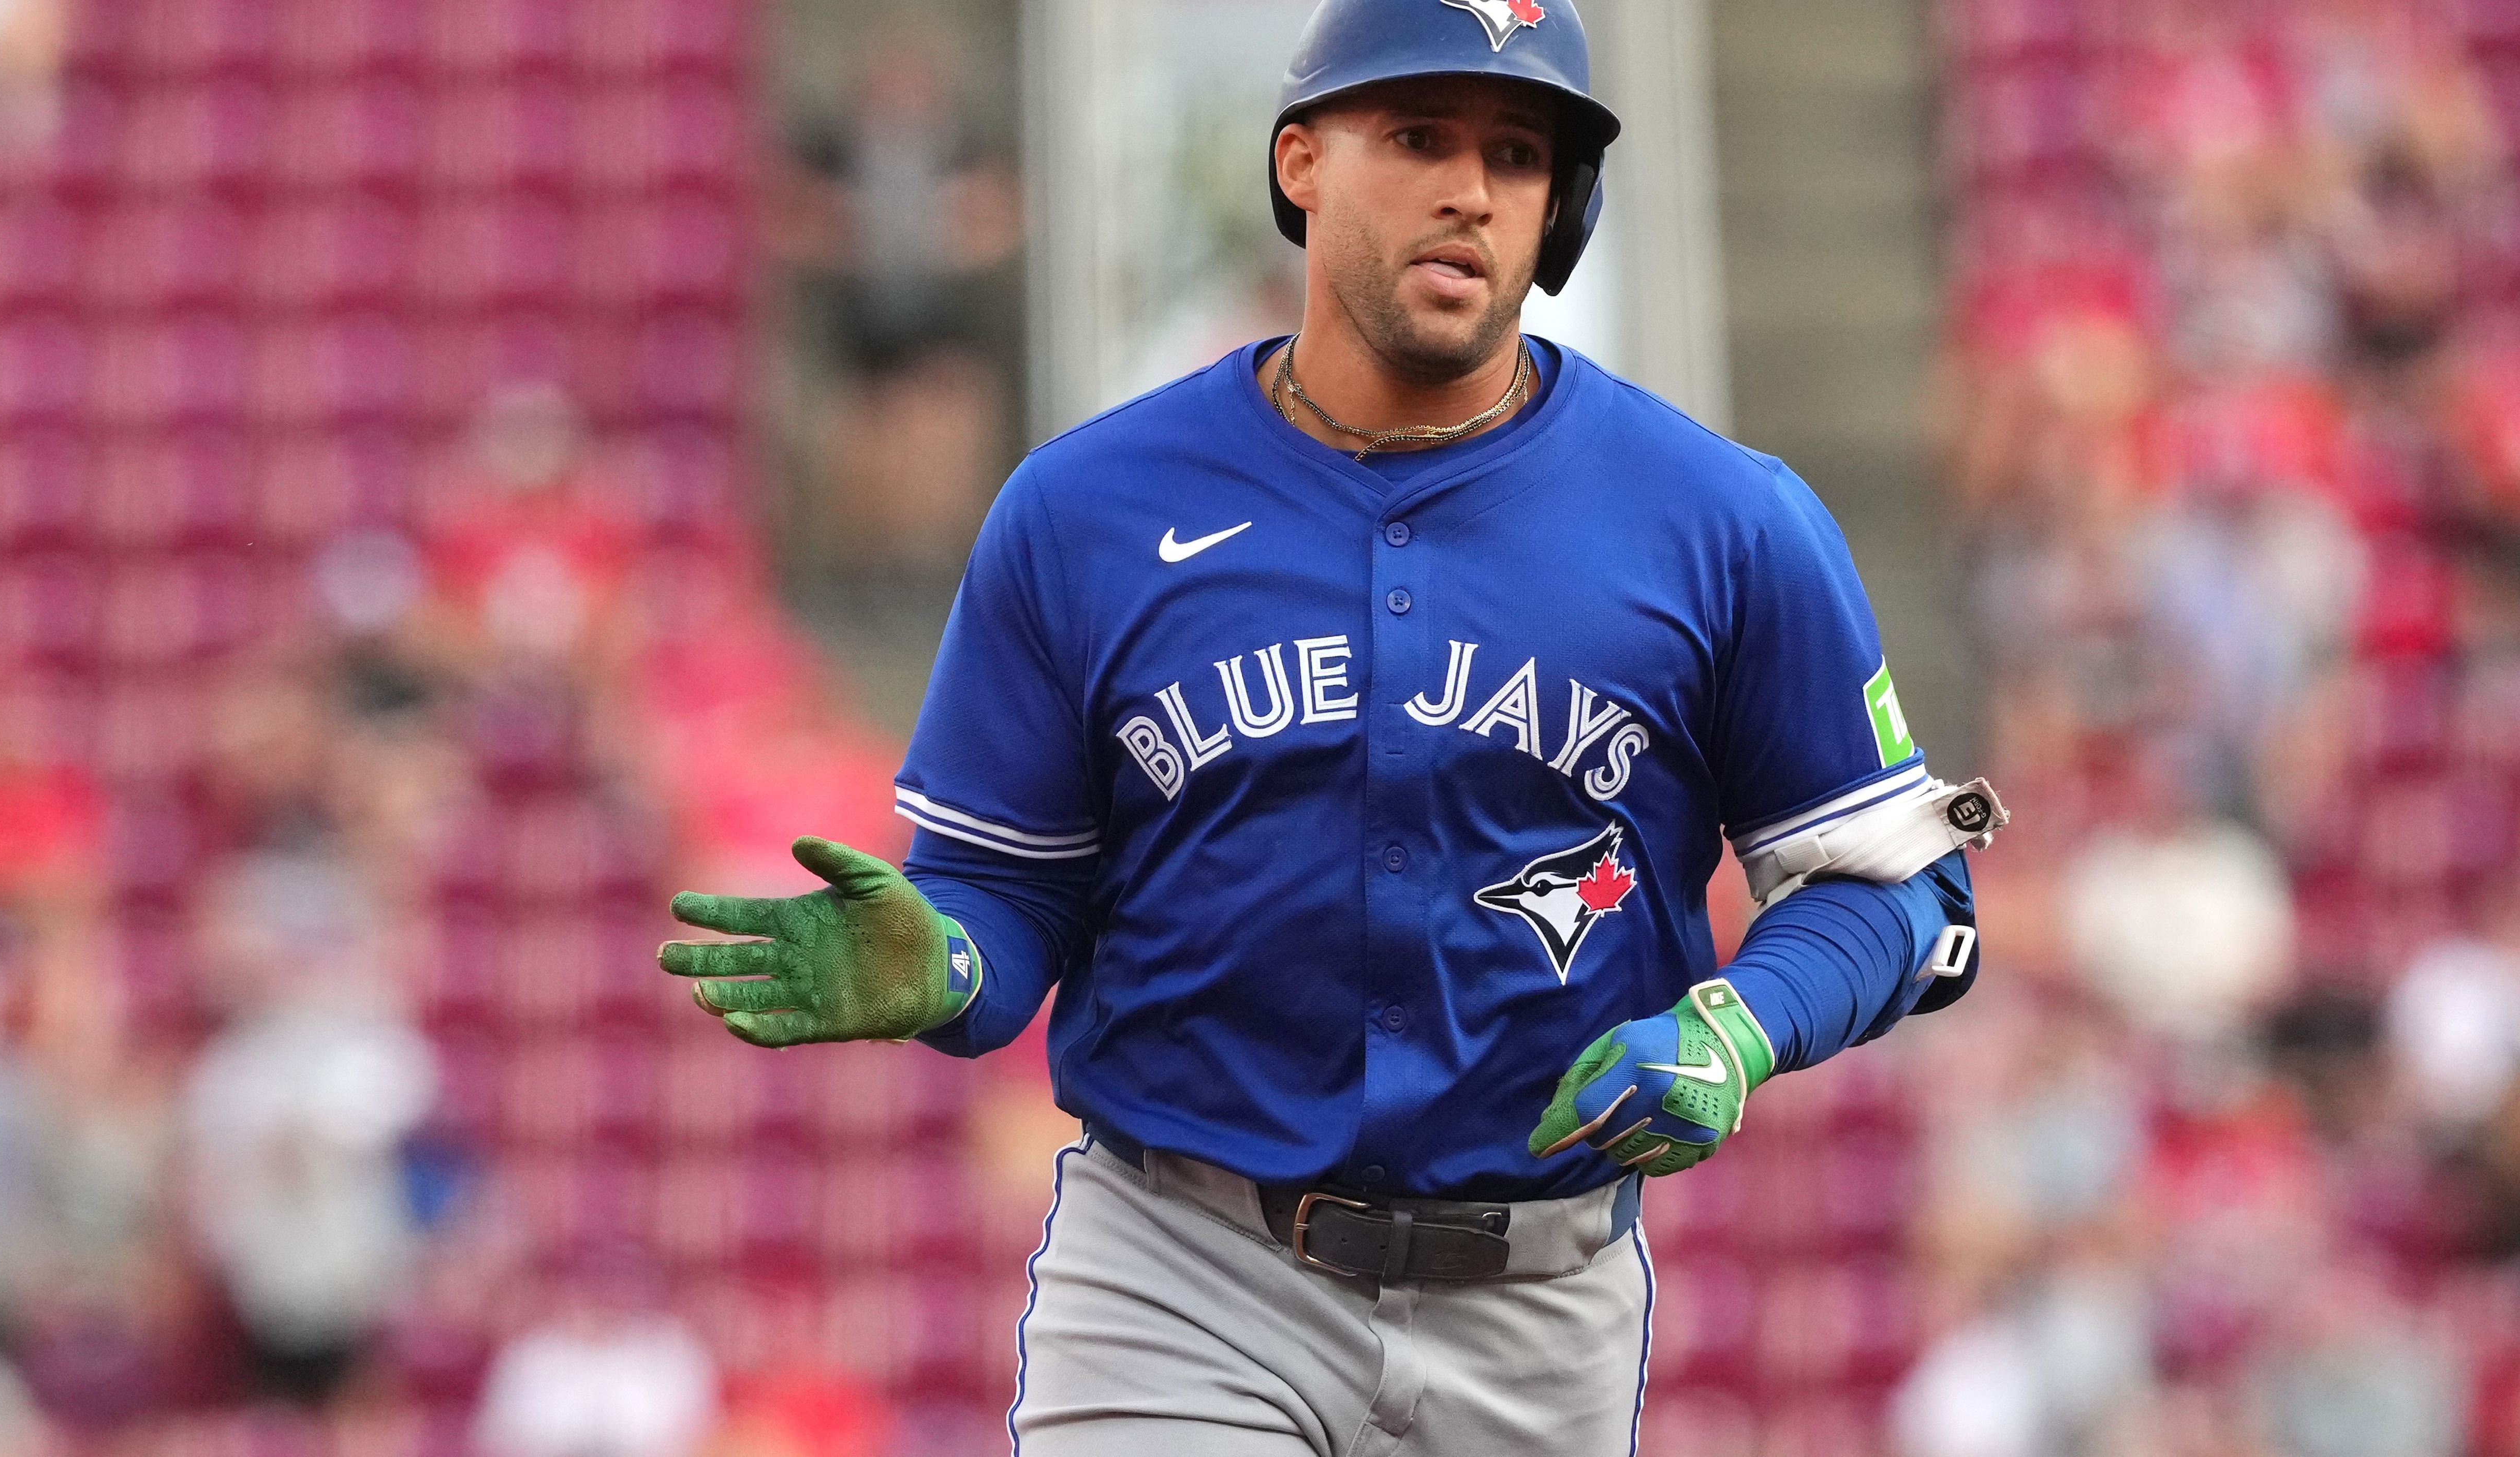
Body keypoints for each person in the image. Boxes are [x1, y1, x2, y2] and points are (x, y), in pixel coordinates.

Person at [661, 2, 2002, 1451]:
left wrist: (1742, 1027)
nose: (1469, 190)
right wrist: (951, 955)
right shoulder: (1085, 508)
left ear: (1562, 210)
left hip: (1538, 1308)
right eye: (1419, 136)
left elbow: (1903, 893)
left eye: (1518, 155)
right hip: (1181, 1270)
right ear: (1300, 162)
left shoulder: (1723, 521)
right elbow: (1008, 893)